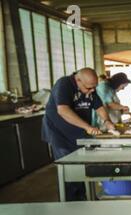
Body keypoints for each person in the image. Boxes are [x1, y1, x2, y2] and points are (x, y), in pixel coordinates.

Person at [41, 68, 115, 201]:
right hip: (60, 134)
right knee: (69, 169)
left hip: (79, 132)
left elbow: (98, 106)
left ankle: (85, 197)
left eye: (94, 87)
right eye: (89, 88)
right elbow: (63, 111)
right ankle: (71, 202)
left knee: (83, 166)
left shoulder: (90, 88)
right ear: (78, 80)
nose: (92, 90)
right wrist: (88, 127)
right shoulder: (63, 85)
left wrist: (107, 121)